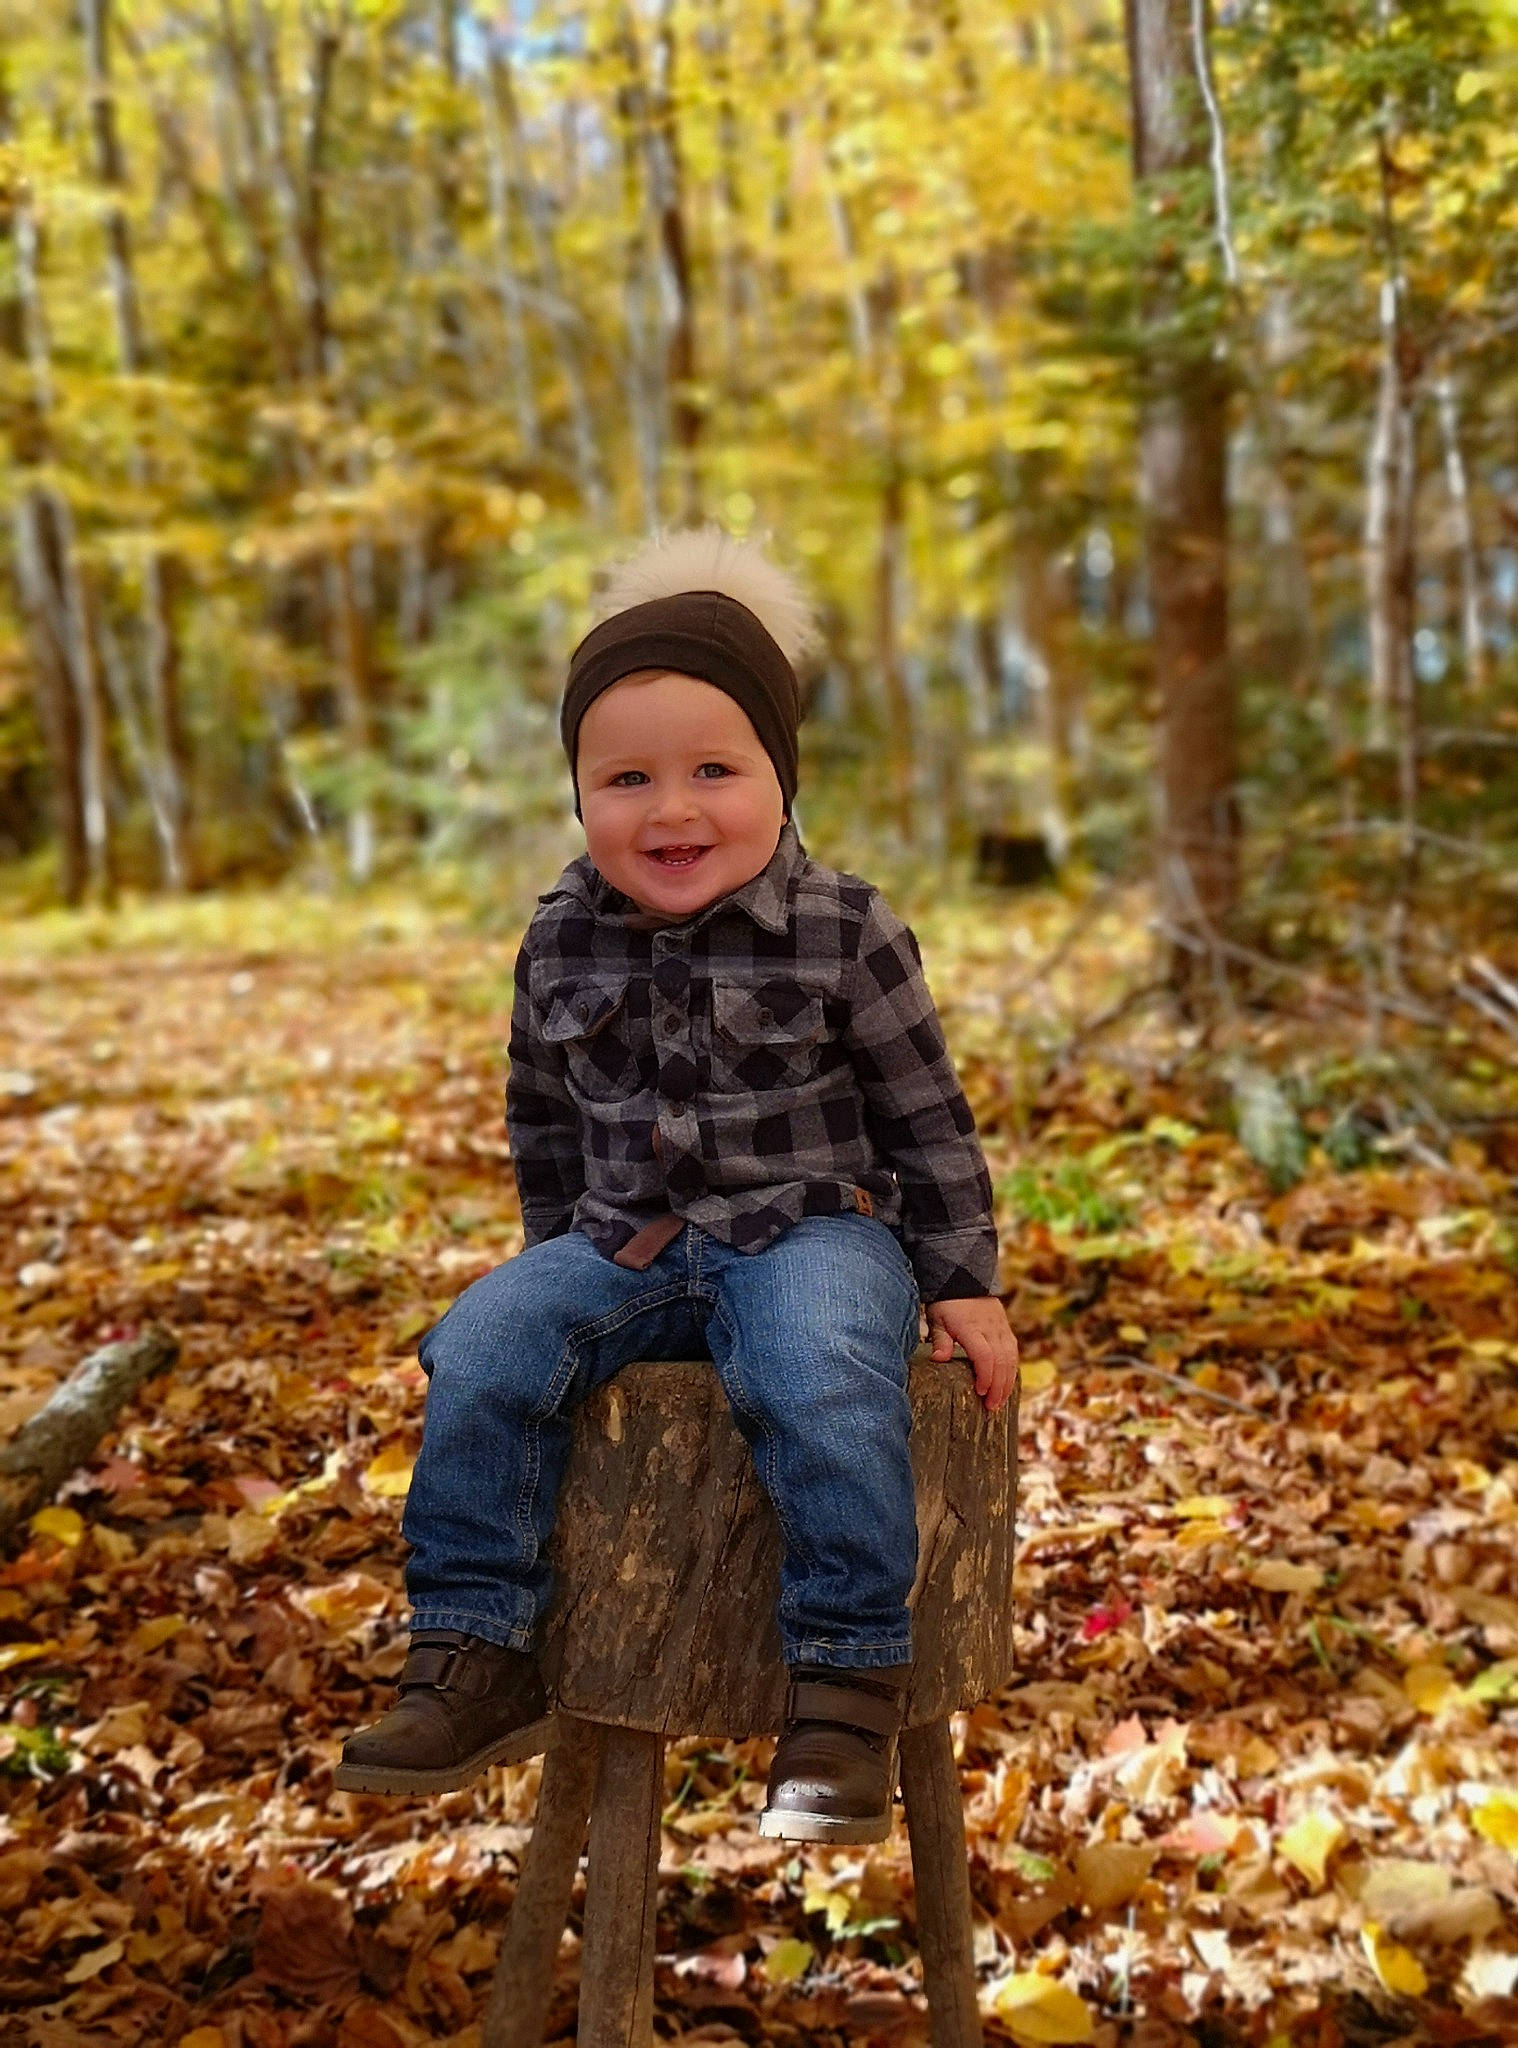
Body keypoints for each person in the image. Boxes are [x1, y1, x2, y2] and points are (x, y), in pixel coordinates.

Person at [336, 528, 1018, 1841]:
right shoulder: (558, 935)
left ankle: (845, 1685)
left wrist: (965, 1283)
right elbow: (541, 1114)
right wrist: (548, 1267)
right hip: (626, 1243)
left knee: (820, 1369)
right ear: (580, 794)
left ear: (780, 776)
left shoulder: (843, 929)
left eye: (716, 770)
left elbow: (928, 1118)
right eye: (627, 778)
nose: (673, 811)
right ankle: (478, 1651)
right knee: (481, 1347)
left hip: (810, 1227)